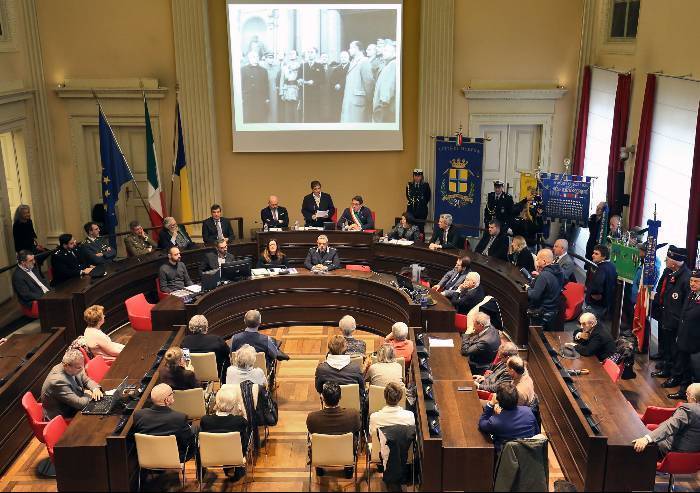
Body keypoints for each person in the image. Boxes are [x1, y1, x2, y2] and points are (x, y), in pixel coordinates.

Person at [651, 246, 691, 382]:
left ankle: (674, 375)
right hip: (667, 317)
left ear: (674, 263)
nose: (665, 261)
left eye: (667, 259)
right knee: (667, 347)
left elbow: (685, 304)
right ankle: (667, 368)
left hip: (676, 321)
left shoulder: (686, 278)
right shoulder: (671, 272)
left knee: (675, 350)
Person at [306, 382, 362, 479]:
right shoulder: (353, 415)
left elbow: (311, 430)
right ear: (340, 398)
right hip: (346, 453)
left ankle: (319, 468)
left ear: (322, 398)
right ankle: (348, 469)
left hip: (321, 453)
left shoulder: (312, 418)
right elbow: (357, 428)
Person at [132, 383, 195, 461]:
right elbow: (187, 442)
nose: (173, 395)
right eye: (172, 393)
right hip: (174, 458)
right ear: (167, 400)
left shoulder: (138, 415)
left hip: (147, 458)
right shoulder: (180, 418)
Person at [633, 383, 700, 456]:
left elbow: (670, 426)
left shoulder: (689, 410)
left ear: (693, 399)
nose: (686, 397)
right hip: (694, 454)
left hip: (674, 451)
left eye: (687, 395)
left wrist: (647, 439)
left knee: (635, 444)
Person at [200, 388, 249, 479]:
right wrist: (242, 412)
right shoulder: (239, 421)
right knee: (244, 435)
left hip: (210, 456)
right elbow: (245, 437)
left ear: (217, 402)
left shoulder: (205, 420)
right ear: (233, 404)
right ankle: (236, 469)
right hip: (234, 456)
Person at [40, 348, 103, 420]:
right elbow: (79, 404)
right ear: (66, 366)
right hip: (63, 416)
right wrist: (89, 395)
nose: (82, 370)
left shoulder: (74, 366)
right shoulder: (57, 381)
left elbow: (86, 380)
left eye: (82, 366)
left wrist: (95, 389)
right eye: (78, 368)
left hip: (74, 404)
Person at [666, 269, 700, 399]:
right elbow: (683, 316)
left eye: (696, 281)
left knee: (694, 370)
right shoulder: (691, 294)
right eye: (691, 280)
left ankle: (693, 396)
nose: (692, 283)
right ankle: (683, 392)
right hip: (685, 338)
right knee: (685, 367)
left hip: (696, 341)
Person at [478, 382, 539, 452]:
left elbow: (482, 424)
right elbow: (536, 433)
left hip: (507, 455)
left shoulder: (495, 421)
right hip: (530, 452)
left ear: (498, 400)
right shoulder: (528, 411)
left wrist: (491, 404)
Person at [526, 249, 565, 331]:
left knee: (536, 337)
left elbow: (534, 296)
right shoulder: (560, 272)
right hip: (553, 312)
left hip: (541, 314)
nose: (536, 262)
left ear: (544, 261)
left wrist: (528, 288)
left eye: (537, 259)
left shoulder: (544, 276)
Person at [341, 41, 375, 123]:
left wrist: (369, 100)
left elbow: (369, 82)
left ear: (356, 48)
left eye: (351, 48)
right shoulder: (353, 61)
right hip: (350, 102)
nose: (349, 50)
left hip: (358, 102)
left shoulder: (364, 61)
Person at [583, 244, 618, 323]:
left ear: (604, 256)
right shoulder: (612, 266)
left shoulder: (601, 269)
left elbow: (597, 284)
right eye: (593, 253)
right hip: (605, 303)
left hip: (595, 303)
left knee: (588, 323)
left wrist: (594, 293)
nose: (593, 255)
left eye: (596, 254)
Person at [372, 39, 397, 123]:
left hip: (384, 107)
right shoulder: (388, 64)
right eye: (384, 50)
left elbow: (389, 87)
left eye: (386, 50)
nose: (383, 52)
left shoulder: (392, 64)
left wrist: (383, 105)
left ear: (395, 53)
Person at [241, 51, 269, 123]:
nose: (255, 58)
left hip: (259, 99)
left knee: (259, 118)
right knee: (248, 118)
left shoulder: (264, 70)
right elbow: (241, 84)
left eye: (257, 56)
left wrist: (267, 98)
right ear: (249, 58)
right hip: (248, 98)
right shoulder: (243, 70)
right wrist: (241, 97)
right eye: (253, 57)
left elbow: (266, 85)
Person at [300, 47, 326, 123]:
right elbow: (298, 77)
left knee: (315, 115)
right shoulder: (303, 65)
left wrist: (314, 82)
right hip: (305, 94)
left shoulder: (320, 66)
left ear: (316, 54)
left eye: (312, 52)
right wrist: (299, 80)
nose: (310, 54)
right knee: (306, 115)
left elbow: (323, 80)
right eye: (308, 52)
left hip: (315, 95)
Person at [405, 169, 431, 234]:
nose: (417, 177)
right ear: (413, 176)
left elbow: (428, 197)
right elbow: (408, 197)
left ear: (422, 176)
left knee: (420, 230)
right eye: (415, 176)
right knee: (410, 230)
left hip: (421, 212)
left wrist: (421, 204)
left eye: (419, 176)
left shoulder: (425, 185)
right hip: (411, 211)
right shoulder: (409, 185)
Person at [279, 50, 302, 123]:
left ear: (297, 56)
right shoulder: (285, 66)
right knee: (288, 112)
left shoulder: (300, 66)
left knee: (296, 112)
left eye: (293, 53)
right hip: (287, 91)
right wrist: (281, 93)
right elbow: (282, 80)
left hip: (296, 90)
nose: (291, 55)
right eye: (290, 53)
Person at [329, 51, 350, 121]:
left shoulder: (351, 68)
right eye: (342, 57)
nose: (343, 58)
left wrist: (340, 84)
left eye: (345, 57)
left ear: (348, 58)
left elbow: (349, 79)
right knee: (337, 113)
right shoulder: (337, 68)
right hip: (337, 95)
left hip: (347, 93)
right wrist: (335, 85)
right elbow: (331, 80)